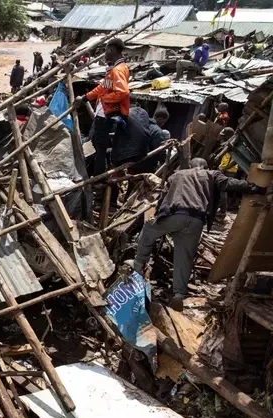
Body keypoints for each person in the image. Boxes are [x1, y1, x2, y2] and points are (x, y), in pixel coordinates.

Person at [133, 158, 265, 311]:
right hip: (196, 220)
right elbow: (230, 184)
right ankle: (178, 295)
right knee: (184, 257)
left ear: (190, 166)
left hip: (175, 214)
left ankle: (138, 266)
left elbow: (163, 198)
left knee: (149, 229)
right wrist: (256, 188)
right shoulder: (212, 174)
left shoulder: (176, 175)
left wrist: (159, 218)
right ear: (206, 166)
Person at [77, 37, 130, 176]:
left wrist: (105, 99)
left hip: (105, 113)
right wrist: (85, 97)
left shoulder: (117, 71)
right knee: (98, 143)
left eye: (106, 50)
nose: (105, 53)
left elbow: (123, 91)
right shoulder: (118, 68)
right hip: (107, 112)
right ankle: (96, 171)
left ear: (111, 50)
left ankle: (98, 176)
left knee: (99, 147)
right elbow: (102, 88)